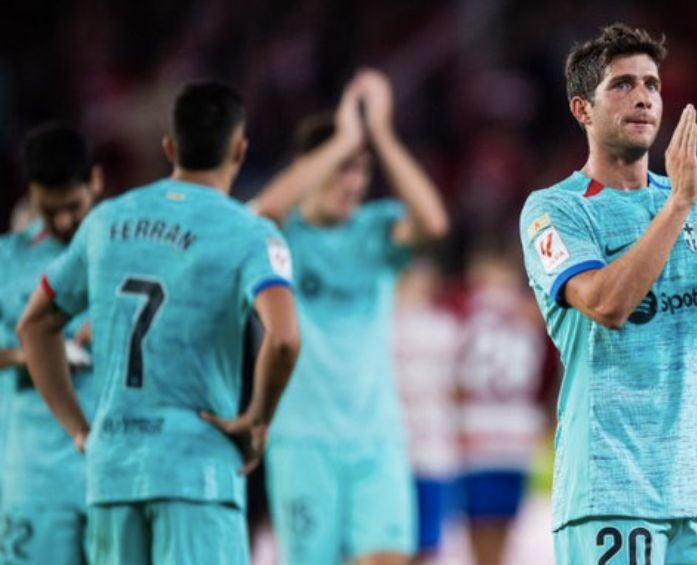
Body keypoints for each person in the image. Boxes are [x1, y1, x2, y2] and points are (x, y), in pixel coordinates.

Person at [518, 23, 697, 563]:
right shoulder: (556, 210)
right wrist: (677, 205)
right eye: (622, 84)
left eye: (652, 84)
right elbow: (607, 304)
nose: (643, 97)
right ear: (582, 109)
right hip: (610, 486)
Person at [16, 80, 301, 565]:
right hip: (198, 475)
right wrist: (258, 418)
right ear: (240, 149)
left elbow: (35, 325)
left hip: (113, 476)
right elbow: (286, 338)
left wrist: (80, 431)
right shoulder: (251, 233)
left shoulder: (106, 221)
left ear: (170, 146)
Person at [254, 68, 449, 565]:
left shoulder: (376, 229)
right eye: (343, 168)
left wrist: (380, 133)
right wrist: (343, 139)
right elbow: (264, 211)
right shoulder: (284, 237)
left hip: (376, 438)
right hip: (302, 443)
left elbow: (432, 221)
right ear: (312, 168)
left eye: (361, 170)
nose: (354, 183)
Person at [0, 125, 102, 565]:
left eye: (73, 208)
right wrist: (30, 352)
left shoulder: (127, 250)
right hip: (37, 476)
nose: (62, 222)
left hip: (113, 470)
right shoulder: (7, 260)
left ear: (95, 182)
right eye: (49, 209)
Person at [455, 245, 548, 565]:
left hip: (479, 435)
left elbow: (456, 381)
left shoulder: (468, 316)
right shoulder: (531, 319)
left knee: (481, 529)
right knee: (503, 530)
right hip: (517, 436)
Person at [393, 258, 463, 561]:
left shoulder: (445, 328)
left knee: (418, 544)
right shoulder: (446, 329)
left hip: (427, 450)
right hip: (411, 451)